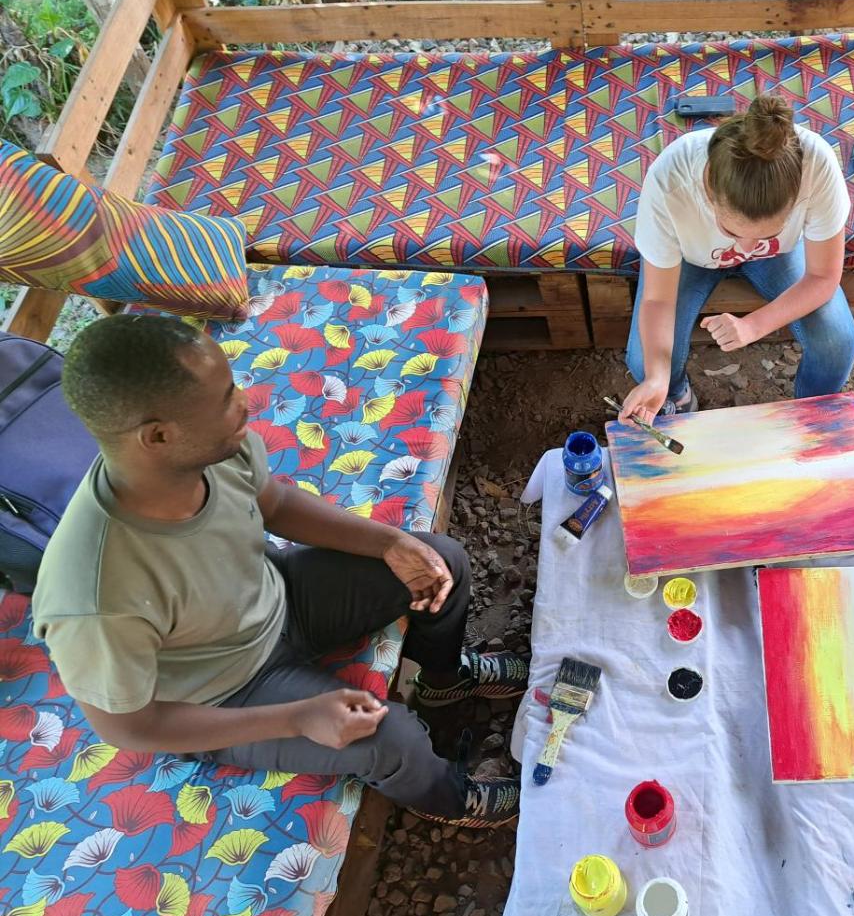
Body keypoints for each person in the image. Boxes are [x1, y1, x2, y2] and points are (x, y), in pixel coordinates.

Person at [31, 314, 529, 828]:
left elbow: (276, 504)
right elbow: (130, 727)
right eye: (225, 398)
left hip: (281, 597)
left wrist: (389, 543)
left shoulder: (213, 448)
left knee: (438, 560)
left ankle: (444, 680)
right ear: (157, 436)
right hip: (227, 693)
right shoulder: (93, 593)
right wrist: (297, 718)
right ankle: (453, 800)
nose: (245, 402)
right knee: (393, 739)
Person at [618, 93, 854, 423]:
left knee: (836, 343)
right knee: (644, 361)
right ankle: (677, 396)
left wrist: (753, 325)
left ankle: (811, 418)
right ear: (709, 194)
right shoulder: (670, 181)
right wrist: (657, 378)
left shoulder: (817, 166)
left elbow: (823, 277)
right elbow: (657, 300)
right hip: (690, 259)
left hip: (779, 256)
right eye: (731, 231)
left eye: (767, 233)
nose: (745, 249)